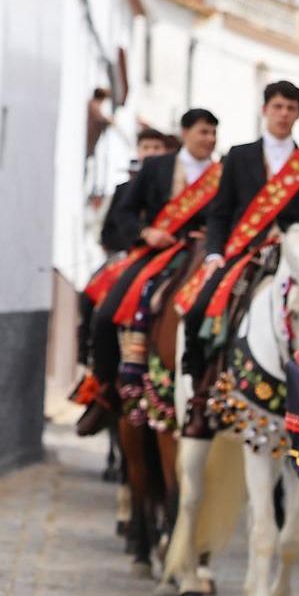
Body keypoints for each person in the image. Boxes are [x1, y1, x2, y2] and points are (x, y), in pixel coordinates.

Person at [176, 80, 299, 437]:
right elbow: (220, 212)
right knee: (200, 307)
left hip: (291, 256)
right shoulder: (239, 156)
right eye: (277, 107)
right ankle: (199, 396)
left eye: (291, 109)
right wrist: (215, 253)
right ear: (265, 110)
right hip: (244, 253)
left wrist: (298, 237)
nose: (283, 114)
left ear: (297, 114)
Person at [77, 111, 221, 436]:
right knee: (107, 311)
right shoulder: (158, 167)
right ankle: (103, 391)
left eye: (213, 133)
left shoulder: (222, 174)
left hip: (202, 252)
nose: (209, 139)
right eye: (203, 132)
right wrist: (146, 233)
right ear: (185, 133)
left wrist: (211, 238)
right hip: (157, 251)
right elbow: (126, 209)